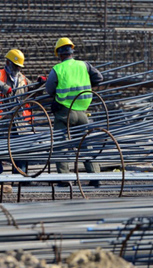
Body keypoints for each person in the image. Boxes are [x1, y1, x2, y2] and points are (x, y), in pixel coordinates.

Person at [44, 37, 103, 187]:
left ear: (59, 54)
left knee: (61, 145)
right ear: (71, 51)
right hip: (83, 112)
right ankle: (95, 177)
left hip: (65, 113)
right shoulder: (84, 65)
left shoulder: (58, 69)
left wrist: (56, 96)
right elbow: (99, 78)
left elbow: (50, 88)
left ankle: (65, 179)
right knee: (85, 144)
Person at [0, 49, 38, 175]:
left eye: (19, 67)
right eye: (15, 66)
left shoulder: (23, 79)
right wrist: (2, 86)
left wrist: (40, 85)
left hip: (17, 123)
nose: (17, 69)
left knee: (20, 150)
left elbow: (32, 90)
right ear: (7, 62)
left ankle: (20, 176)